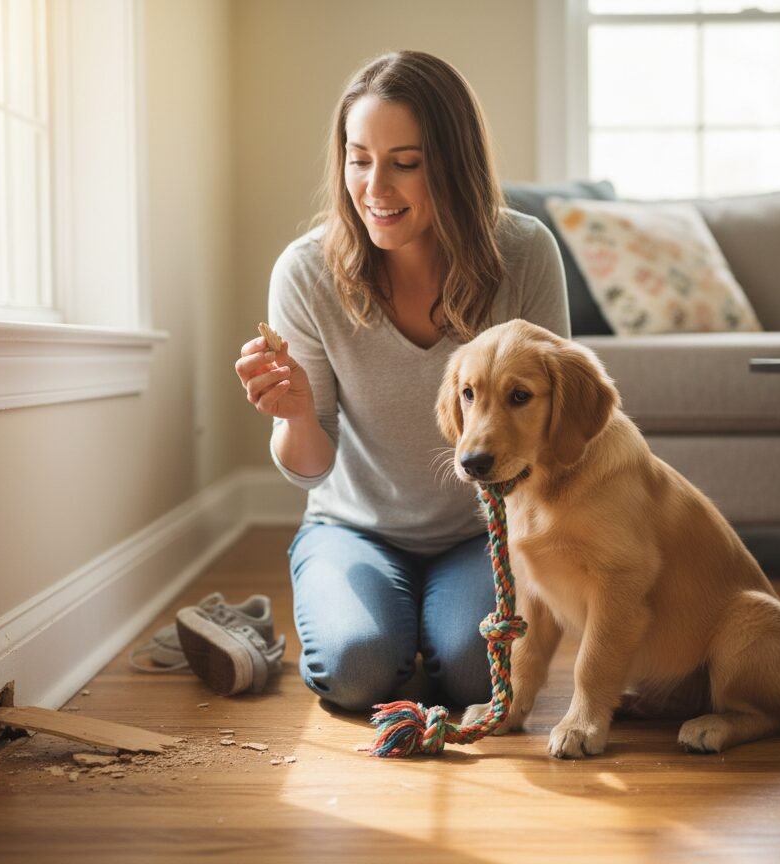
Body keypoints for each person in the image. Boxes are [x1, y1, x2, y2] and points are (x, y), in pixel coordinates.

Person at [235, 50, 570, 712]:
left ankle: (426, 640)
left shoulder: (526, 253)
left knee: (479, 677)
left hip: (485, 530)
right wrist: (298, 414)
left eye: (405, 164)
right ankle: (375, 634)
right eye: (359, 159)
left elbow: (556, 435)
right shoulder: (304, 274)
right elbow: (308, 470)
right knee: (358, 673)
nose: (375, 189)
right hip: (353, 527)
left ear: (453, 165)